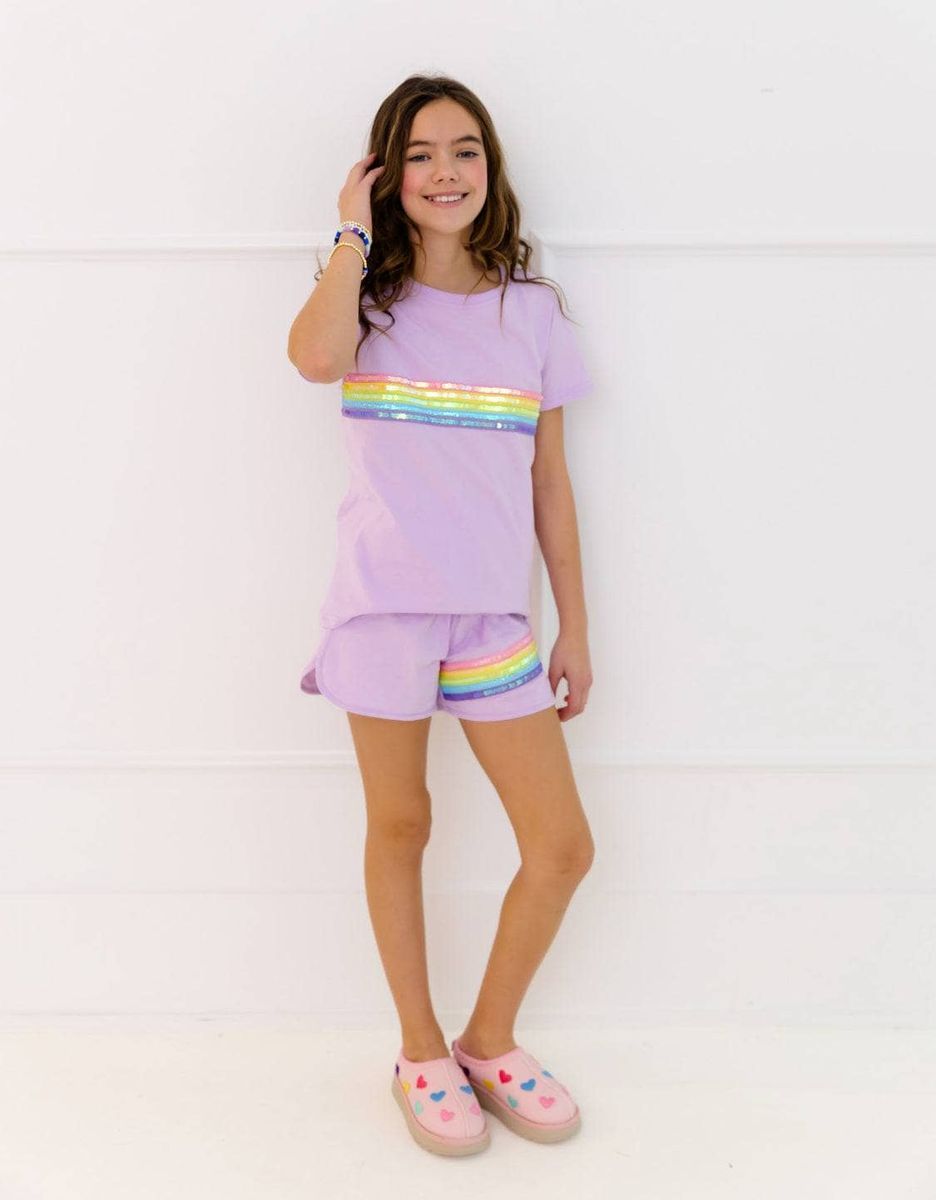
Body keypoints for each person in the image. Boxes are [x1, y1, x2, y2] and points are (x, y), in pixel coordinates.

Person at [287, 74, 595, 1157]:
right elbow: (314, 360)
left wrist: (575, 625)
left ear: (490, 168)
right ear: (387, 175)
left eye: (464, 150)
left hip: (492, 620)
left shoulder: (531, 312)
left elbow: (550, 483)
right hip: (384, 610)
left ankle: (487, 1040)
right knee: (402, 826)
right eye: (418, 154)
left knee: (561, 846)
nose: (445, 172)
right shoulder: (364, 304)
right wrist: (348, 233)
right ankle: (419, 1052)